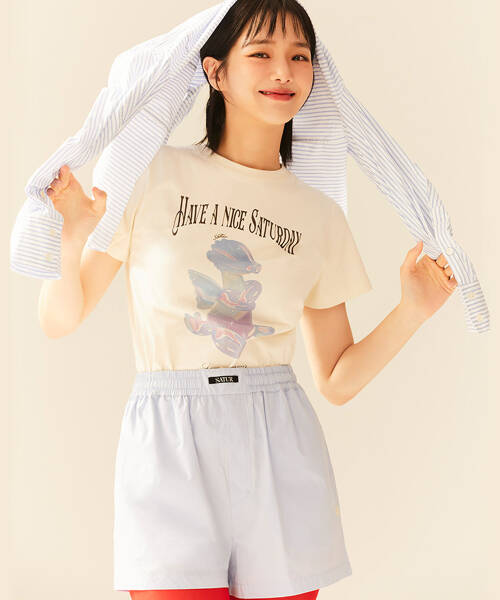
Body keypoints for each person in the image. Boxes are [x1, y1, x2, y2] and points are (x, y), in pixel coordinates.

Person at [38, 1, 458, 599]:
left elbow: (336, 378)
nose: (283, 71)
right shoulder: (150, 173)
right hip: (169, 439)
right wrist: (72, 239)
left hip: (278, 439)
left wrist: (413, 309)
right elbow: (60, 318)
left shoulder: (318, 213)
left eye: (299, 57)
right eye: (261, 53)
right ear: (215, 72)